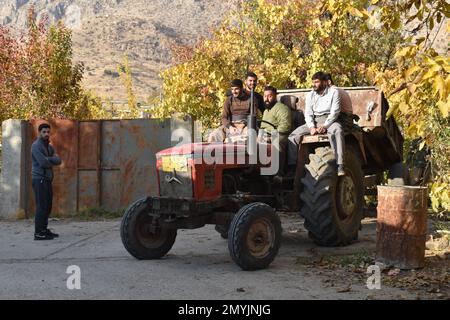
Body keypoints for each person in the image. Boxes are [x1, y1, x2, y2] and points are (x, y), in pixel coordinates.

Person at [287, 71, 345, 176]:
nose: (314, 84)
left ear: (324, 82)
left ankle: (340, 164)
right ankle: (292, 167)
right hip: (314, 121)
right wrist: (311, 127)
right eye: (313, 82)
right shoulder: (310, 95)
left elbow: (335, 112)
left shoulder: (334, 92)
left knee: (338, 130)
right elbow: (308, 113)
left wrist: (325, 126)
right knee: (293, 136)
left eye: (317, 82)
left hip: (329, 120)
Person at [31, 123, 62, 240]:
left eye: (48, 132)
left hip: (47, 179)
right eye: (44, 132)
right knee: (41, 206)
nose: (46, 134)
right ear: (39, 133)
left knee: (47, 206)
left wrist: (49, 159)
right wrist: (51, 159)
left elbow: (58, 160)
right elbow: (42, 163)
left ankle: (44, 230)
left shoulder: (49, 147)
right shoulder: (36, 146)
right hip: (39, 179)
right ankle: (38, 233)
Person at [208, 79, 258, 143]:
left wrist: (244, 124)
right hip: (231, 126)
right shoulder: (229, 100)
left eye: (236, 89)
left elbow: (254, 116)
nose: (234, 92)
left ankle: (233, 141)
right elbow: (224, 117)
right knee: (213, 136)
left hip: (246, 126)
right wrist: (230, 127)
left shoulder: (251, 99)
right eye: (232, 89)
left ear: (242, 88)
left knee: (249, 137)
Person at [259, 86, 292, 174]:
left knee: (277, 142)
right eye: (265, 96)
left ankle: (279, 172)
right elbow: (263, 126)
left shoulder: (282, 108)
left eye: (269, 96)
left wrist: (271, 137)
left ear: (275, 96)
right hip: (266, 134)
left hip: (280, 134)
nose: (266, 99)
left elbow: (285, 126)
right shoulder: (266, 111)